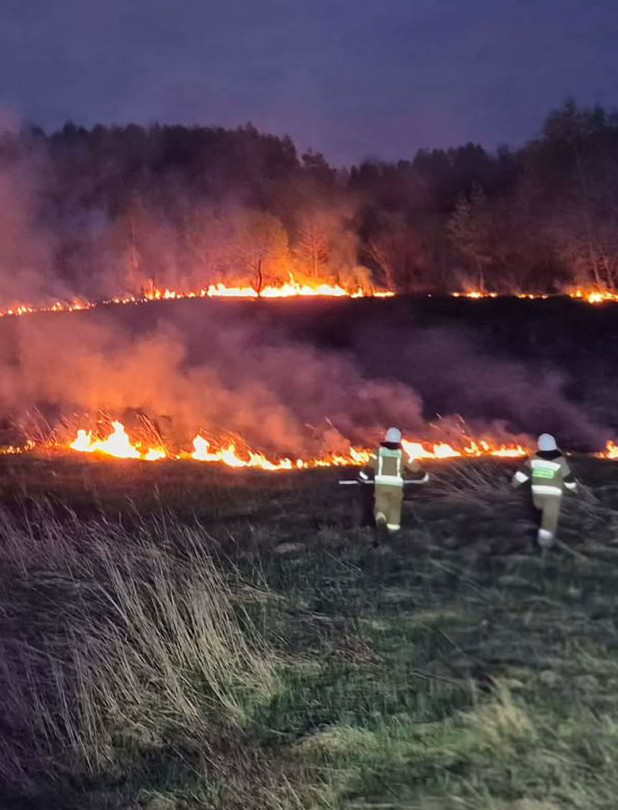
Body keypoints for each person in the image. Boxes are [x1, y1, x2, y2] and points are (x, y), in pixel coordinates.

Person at [360, 427, 428, 538]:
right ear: (399, 440)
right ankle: (393, 532)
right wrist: (424, 475)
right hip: (396, 486)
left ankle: (381, 517)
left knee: (380, 504)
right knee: (395, 507)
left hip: (381, 485)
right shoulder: (402, 454)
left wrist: (362, 477)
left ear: (386, 438)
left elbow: (369, 467)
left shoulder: (378, 452)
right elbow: (414, 466)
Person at [512, 433, 578, 548]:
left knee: (540, 511)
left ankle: (539, 524)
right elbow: (568, 477)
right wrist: (573, 488)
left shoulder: (534, 459)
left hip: (537, 495)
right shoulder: (560, 460)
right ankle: (544, 543)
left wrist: (514, 483)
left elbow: (523, 473)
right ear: (553, 445)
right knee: (549, 519)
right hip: (553, 495)